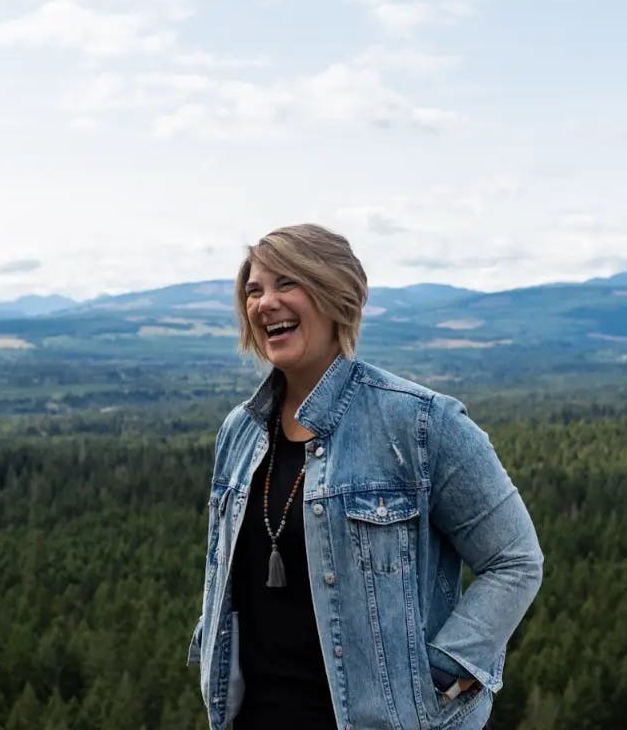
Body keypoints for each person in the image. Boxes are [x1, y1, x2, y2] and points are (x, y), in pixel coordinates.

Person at [188, 223, 543, 730]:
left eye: (287, 283)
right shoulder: (239, 432)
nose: (265, 302)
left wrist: (444, 671)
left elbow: (515, 559)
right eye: (253, 290)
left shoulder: (422, 423)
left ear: (337, 295)